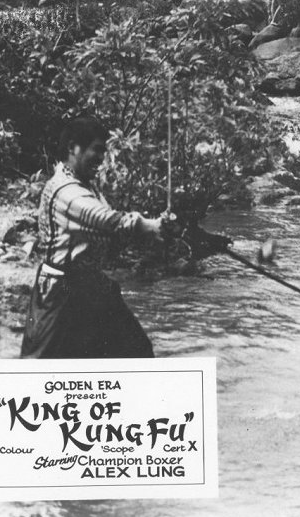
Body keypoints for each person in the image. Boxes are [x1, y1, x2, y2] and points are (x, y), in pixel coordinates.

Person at [21, 117, 229, 359]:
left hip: (89, 285)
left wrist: (159, 229)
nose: (101, 158)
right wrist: (148, 225)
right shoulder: (65, 190)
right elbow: (106, 220)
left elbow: (111, 235)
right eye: (96, 150)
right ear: (73, 148)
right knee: (44, 371)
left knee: (135, 351)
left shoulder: (86, 187)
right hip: (60, 292)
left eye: (103, 151)